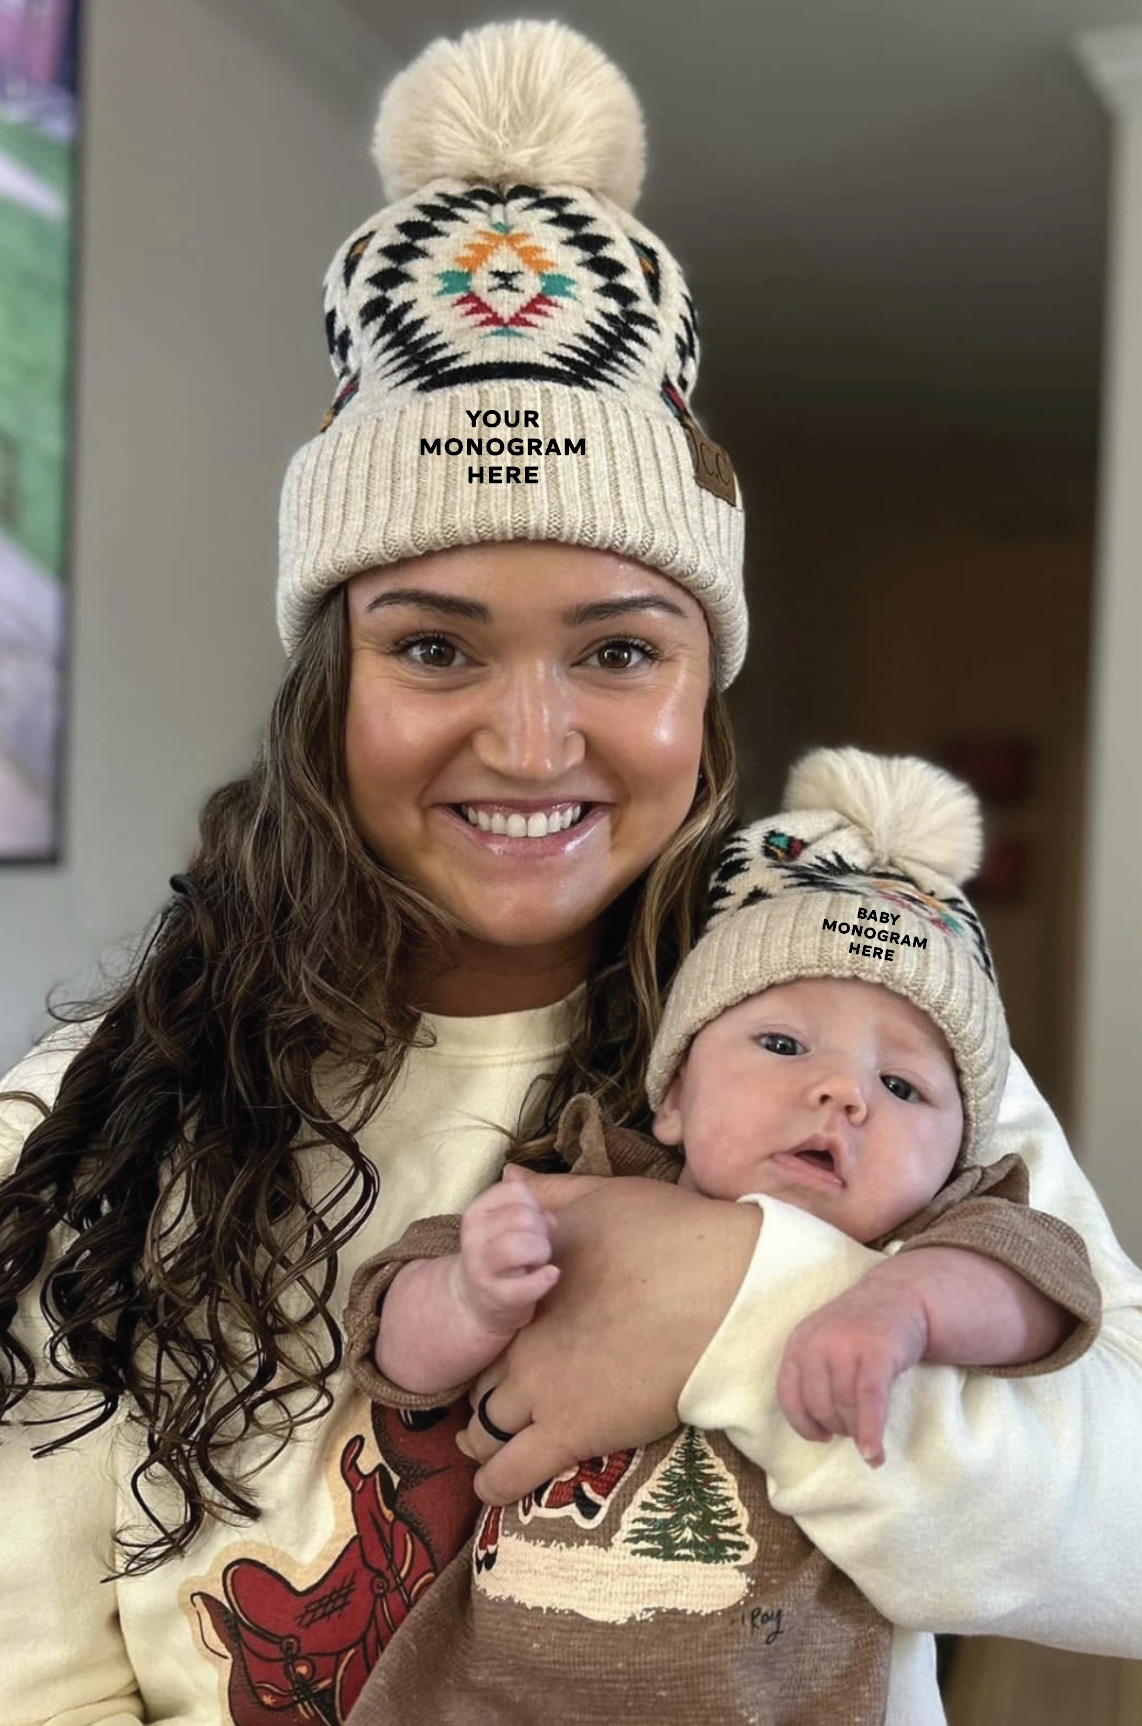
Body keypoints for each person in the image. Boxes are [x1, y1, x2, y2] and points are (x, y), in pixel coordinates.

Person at [0, 20, 1138, 1726]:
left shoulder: (854, 1043)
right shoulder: (83, 1122)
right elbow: (37, 1671)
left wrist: (734, 1303)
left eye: (617, 654)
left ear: (705, 685)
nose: (531, 746)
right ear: (331, 682)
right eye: (436, 649)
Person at [341, 746, 1101, 1724]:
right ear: (672, 1097)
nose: (838, 1091)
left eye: (902, 1086)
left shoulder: (933, 1240)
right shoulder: (586, 1186)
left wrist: (900, 1307)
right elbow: (390, 1350)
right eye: (780, 1044)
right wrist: (466, 1296)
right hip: (487, 1696)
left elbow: (1039, 1292)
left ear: (960, 1162)